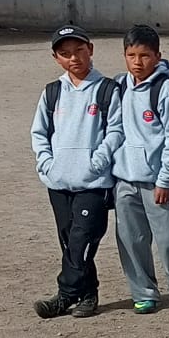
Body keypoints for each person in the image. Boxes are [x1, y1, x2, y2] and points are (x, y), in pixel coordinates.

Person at [30, 25, 124, 319]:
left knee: (82, 238)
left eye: (79, 50)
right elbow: (39, 133)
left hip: (93, 183)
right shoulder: (52, 92)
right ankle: (88, 294)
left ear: (90, 49)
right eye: (65, 53)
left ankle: (65, 295)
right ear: (56, 57)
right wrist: (47, 163)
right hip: (58, 181)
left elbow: (116, 130)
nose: (74, 58)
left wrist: (97, 161)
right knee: (70, 242)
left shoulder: (107, 89)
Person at [111, 24, 169, 316]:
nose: (138, 62)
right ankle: (143, 292)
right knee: (131, 239)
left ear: (158, 56)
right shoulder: (119, 86)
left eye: (145, 55)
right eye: (132, 55)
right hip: (124, 179)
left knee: (168, 237)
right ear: (124, 56)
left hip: (157, 181)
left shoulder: (167, 92)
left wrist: (165, 179)